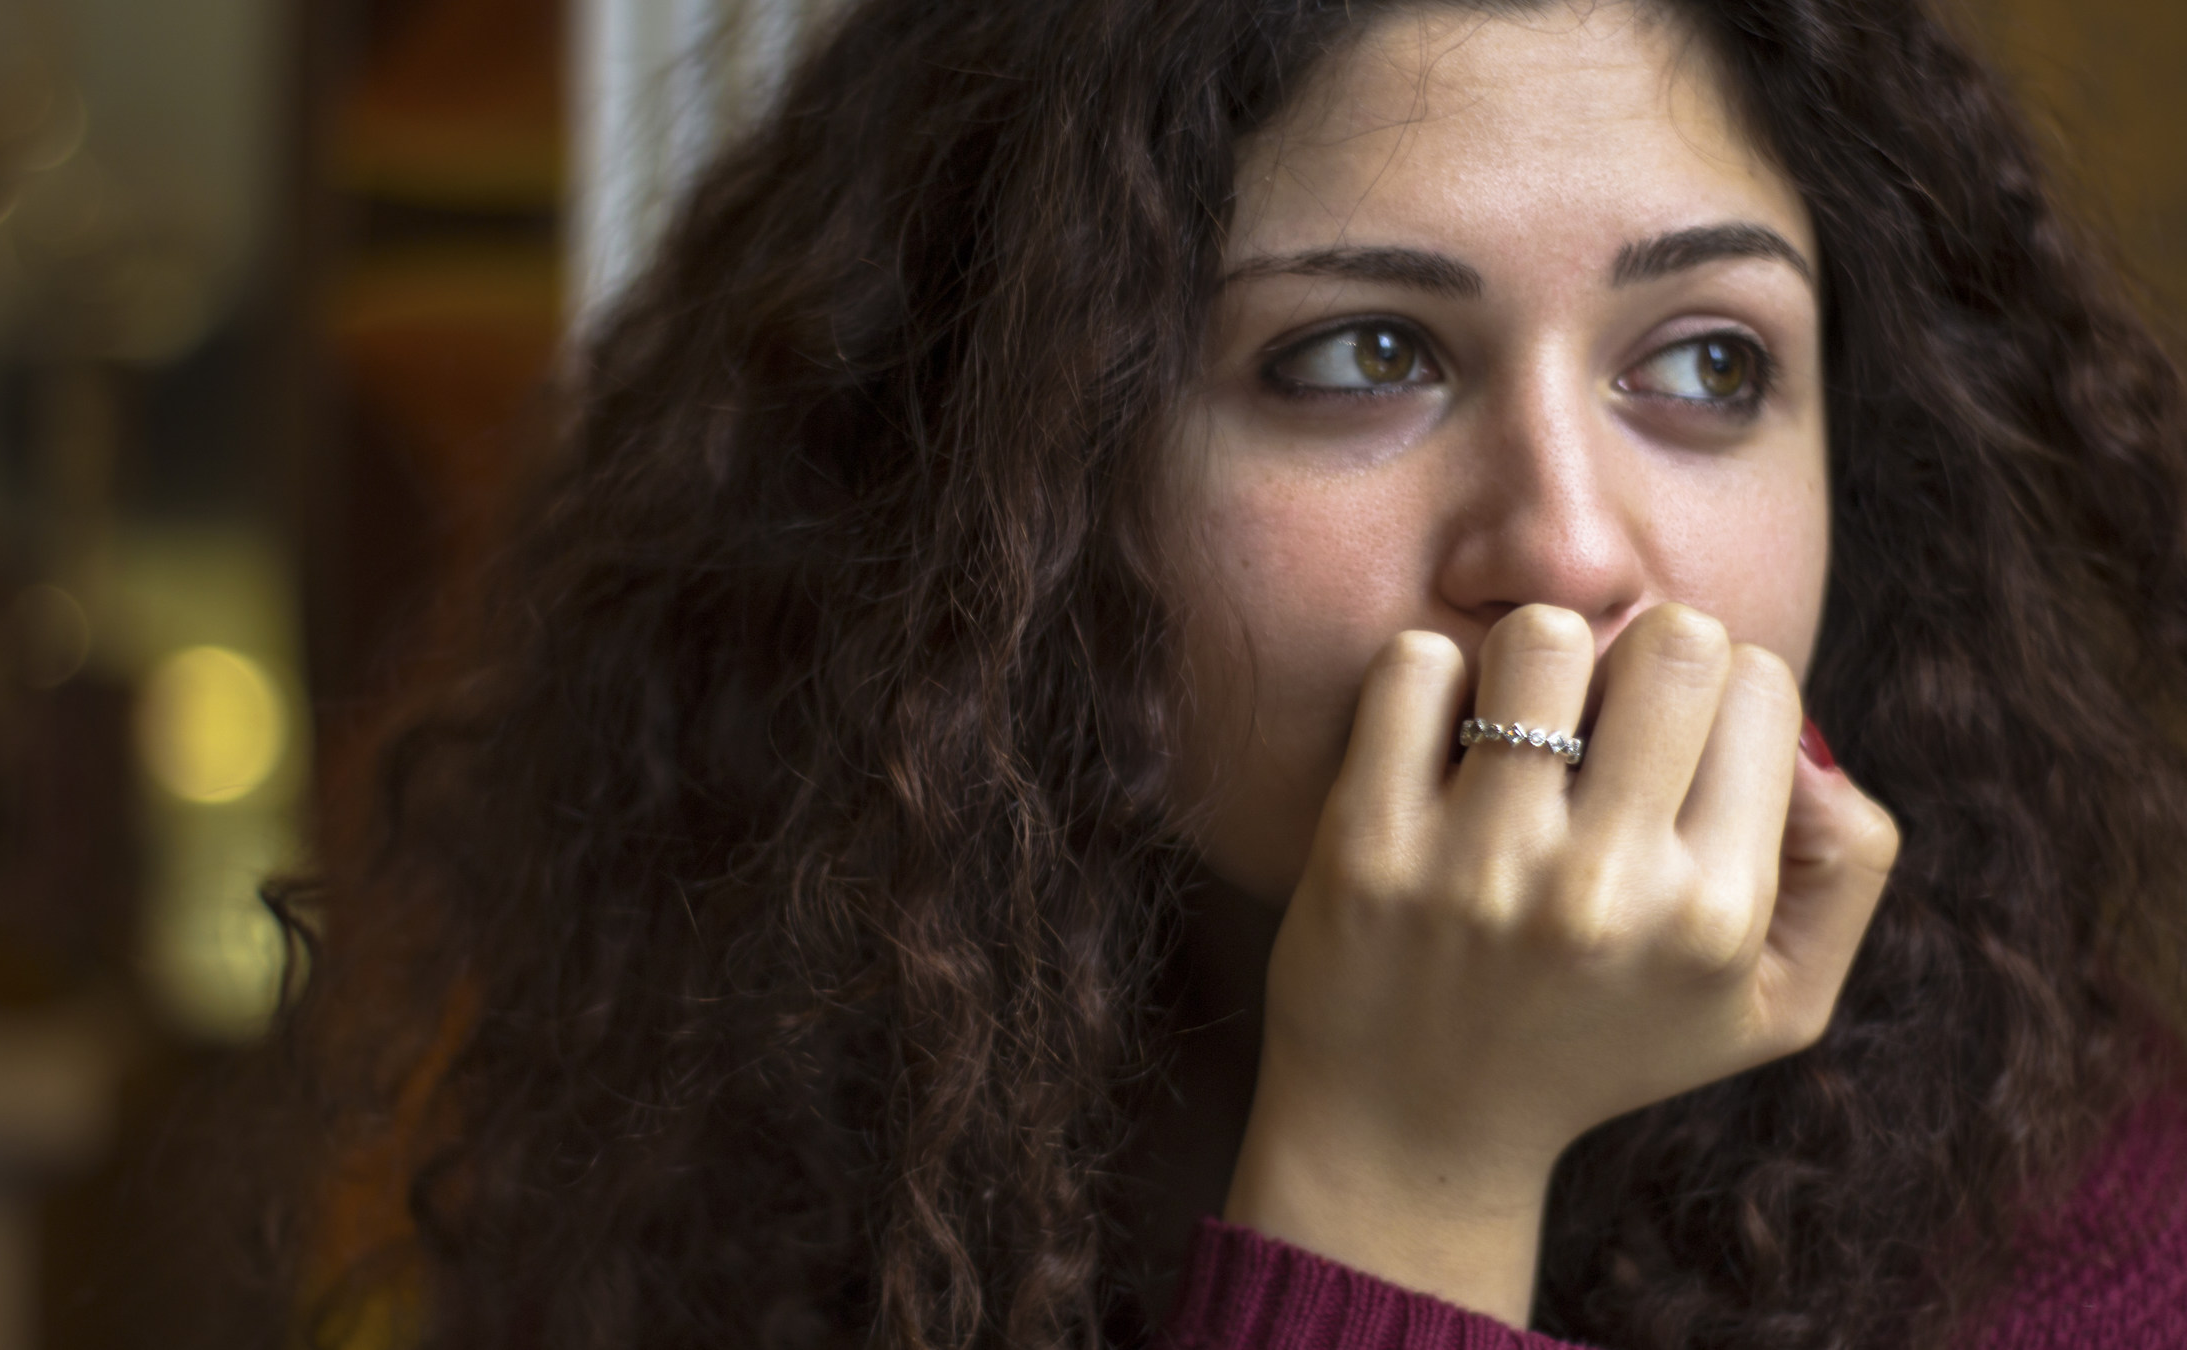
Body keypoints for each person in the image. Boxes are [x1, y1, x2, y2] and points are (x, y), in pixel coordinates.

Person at [267, 0, 2187, 1347]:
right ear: (1007, 491)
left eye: (1704, 363)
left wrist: (1412, 1151)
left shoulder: (2111, 1261)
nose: (1574, 543)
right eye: (1363, 355)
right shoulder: (717, 1216)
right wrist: (1406, 1169)